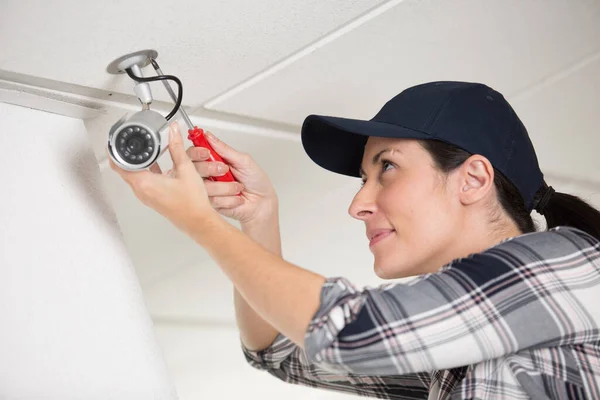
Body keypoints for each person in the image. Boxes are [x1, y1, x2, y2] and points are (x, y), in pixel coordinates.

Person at [110, 81, 600, 399]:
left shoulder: (574, 263)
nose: (357, 205)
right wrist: (258, 218)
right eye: (363, 178)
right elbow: (278, 350)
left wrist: (201, 223)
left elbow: (350, 332)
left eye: (386, 167)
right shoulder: (461, 351)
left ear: (472, 179)